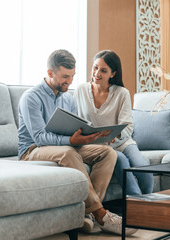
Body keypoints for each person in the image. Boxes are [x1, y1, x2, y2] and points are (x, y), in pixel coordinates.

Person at [17, 49, 136, 236]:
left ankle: (86, 215)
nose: (70, 82)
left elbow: (72, 129)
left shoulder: (66, 98)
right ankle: (100, 214)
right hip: (32, 150)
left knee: (107, 152)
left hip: (64, 146)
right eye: (65, 76)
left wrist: (87, 136)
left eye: (72, 76)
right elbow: (39, 137)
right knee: (68, 152)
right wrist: (71, 141)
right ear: (50, 73)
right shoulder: (31, 97)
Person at [74, 50, 154, 197]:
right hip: (97, 146)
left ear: (113, 73)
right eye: (95, 67)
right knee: (121, 161)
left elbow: (128, 126)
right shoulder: (80, 90)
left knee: (145, 171)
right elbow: (76, 120)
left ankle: (147, 206)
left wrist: (116, 136)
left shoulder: (122, 93)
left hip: (122, 142)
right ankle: (136, 209)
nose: (97, 73)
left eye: (103, 70)